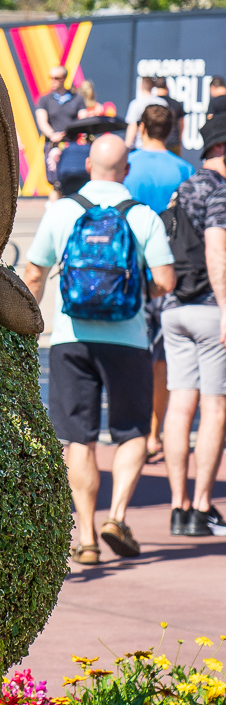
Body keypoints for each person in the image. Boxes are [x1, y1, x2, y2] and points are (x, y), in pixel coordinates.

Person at [23, 133, 175, 566]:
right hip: (128, 340)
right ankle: (118, 516)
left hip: (72, 339)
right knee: (132, 432)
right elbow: (165, 281)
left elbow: (34, 273)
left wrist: (24, 324)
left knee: (78, 439)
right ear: (126, 171)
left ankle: (86, 535)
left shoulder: (63, 211)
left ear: (89, 166)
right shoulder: (143, 215)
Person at [161, 111, 226, 538]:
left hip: (173, 308)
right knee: (214, 406)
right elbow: (216, 251)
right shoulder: (220, 191)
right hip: (209, 309)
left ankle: (178, 507)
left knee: (179, 404)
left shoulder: (181, 188)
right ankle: (203, 506)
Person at [125, 104, 193, 462]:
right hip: (169, 274)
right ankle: (153, 434)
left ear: (142, 127)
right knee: (162, 361)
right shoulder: (184, 169)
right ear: (170, 130)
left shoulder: (129, 164)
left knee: (134, 353)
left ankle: (135, 431)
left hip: (133, 273)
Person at [35, 65, 84, 199]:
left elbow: (83, 119)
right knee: (55, 184)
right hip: (53, 146)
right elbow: (42, 121)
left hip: (72, 146)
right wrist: (53, 135)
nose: (53, 81)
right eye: (51, 78)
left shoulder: (77, 99)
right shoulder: (44, 100)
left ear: (64, 79)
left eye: (56, 78)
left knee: (73, 182)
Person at [125, 75, 165, 149]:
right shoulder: (162, 103)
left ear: (141, 86)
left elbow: (132, 127)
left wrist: (127, 147)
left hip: (141, 147)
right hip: (160, 147)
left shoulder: (136, 104)